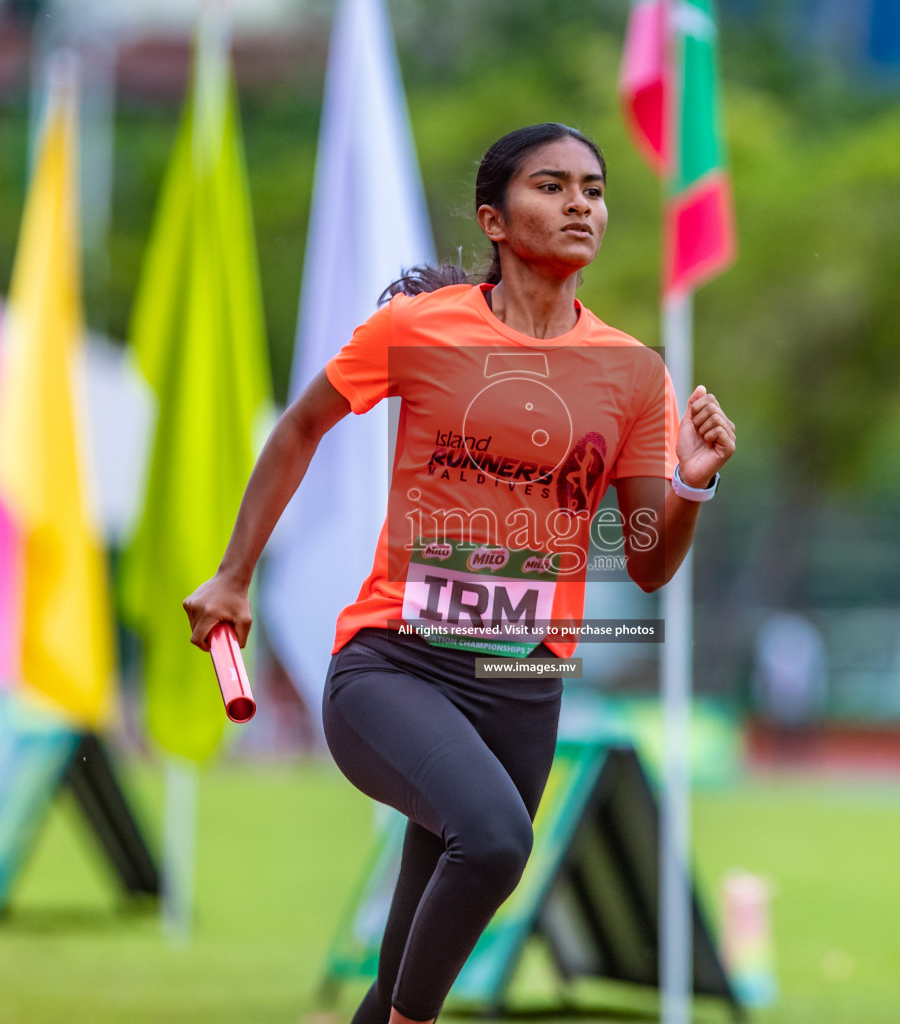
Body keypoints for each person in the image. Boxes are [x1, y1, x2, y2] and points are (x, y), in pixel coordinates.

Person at [184, 122, 736, 1024]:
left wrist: (689, 485)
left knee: (407, 963)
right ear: (495, 218)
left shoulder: (634, 374)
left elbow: (647, 563)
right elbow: (299, 429)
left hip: (522, 683)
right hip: (394, 664)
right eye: (551, 187)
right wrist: (235, 575)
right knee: (491, 843)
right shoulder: (420, 329)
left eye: (593, 190)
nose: (579, 206)